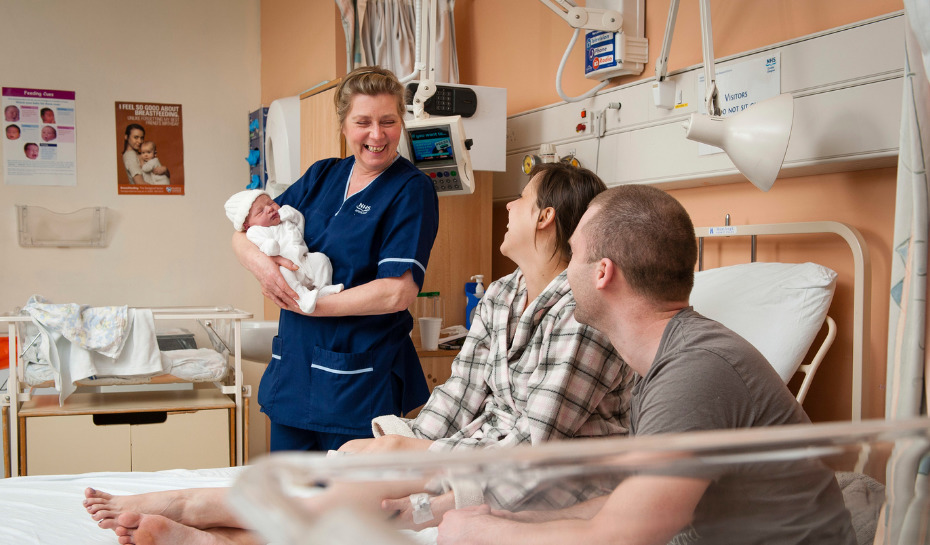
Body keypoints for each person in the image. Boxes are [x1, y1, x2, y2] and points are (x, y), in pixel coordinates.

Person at [82, 163, 635, 545]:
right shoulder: (502, 294)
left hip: (544, 479)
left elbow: (534, 449)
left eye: (522, 197)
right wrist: (405, 441)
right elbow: (461, 396)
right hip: (476, 454)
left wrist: (414, 462)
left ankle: (193, 508)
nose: (509, 204)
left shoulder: (583, 312)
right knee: (350, 472)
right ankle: (212, 535)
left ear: (544, 218)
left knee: (353, 488)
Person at [437, 185, 856, 545]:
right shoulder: (663, 364)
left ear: (603, 272)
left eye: (574, 255)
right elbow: (632, 504)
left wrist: (484, 534)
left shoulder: (693, 373)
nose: (565, 272)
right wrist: (510, 520)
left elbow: (622, 535)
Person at [225, 189, 343, 314]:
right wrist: (270, 246)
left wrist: (290, 213)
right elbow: (263, 245)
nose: (269, 209)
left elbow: (300, 223)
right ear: (248, 225)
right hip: (288, 267)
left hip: (304, 259)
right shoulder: (256, 231)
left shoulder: (284, 220)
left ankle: (323, 288)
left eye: (270, 203)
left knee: (321, 259)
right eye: (260, 211)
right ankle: (302, 297)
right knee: (282, 273)